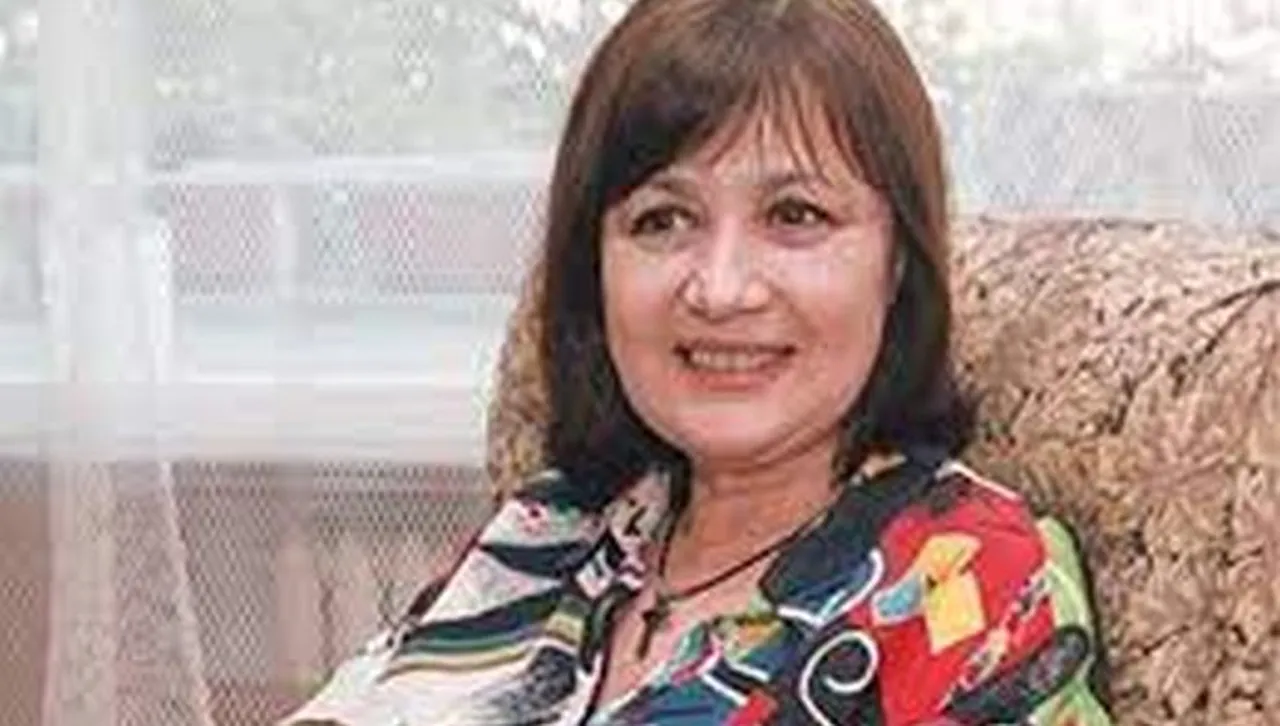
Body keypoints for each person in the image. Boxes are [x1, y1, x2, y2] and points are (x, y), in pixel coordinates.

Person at [282, 0, 1112, 723]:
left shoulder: (966, 581)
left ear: (896, 262)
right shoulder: (550, 529)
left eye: (795, 215)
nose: (719, 288)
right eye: (663, 220)